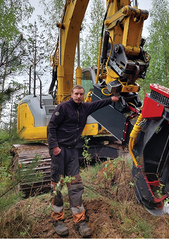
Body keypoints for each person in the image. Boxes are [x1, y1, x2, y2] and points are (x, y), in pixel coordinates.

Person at [47, 85, 119, 237]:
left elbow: (98, 104)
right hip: (60, 151)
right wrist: (54, 147)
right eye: (76, 94)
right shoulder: (63, 107)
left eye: (81, 94)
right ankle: (58, 220)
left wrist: (111, 100)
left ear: (83, 95)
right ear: (71, 94)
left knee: (75, 185)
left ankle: (79, 221)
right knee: (58, 186)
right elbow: (51, 126)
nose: (79, 96)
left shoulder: (85, 107)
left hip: (73, 151)